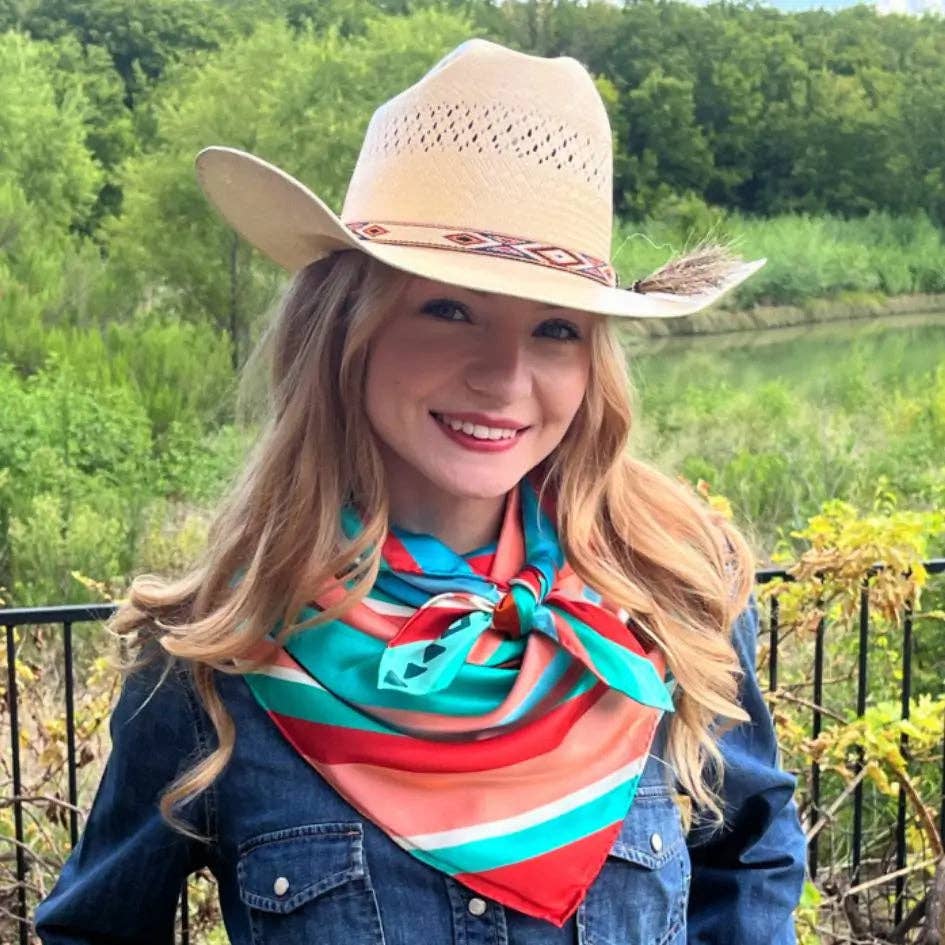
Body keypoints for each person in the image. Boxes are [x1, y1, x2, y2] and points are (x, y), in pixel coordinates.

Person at [35, 39, 806, 945]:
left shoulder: (672, 593)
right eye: (448, 308)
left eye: (555, 329)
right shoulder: (213, 658)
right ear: (343, 330)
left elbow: (750, 855)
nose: (504, 375)